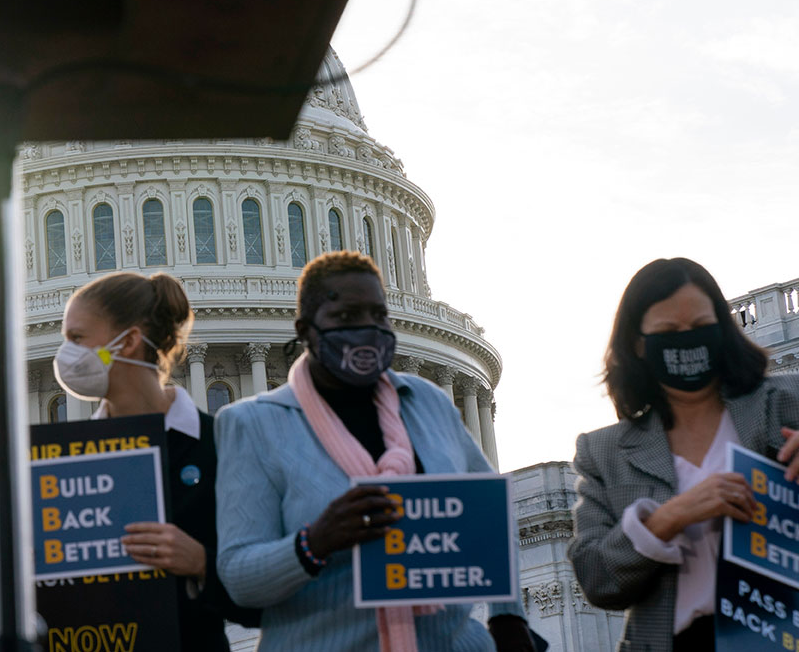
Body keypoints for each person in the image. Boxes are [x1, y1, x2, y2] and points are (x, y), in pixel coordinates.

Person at [214, 251, 534, 651]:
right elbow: (239, 576)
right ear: (306, 330)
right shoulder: (253, 424)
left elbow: (491, 516)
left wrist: (508, 616)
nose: (367, 329)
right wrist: (315, 541)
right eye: (347, 317)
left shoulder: (429, 404)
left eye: (378, 316)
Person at [570, 257, 799, 652]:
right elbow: (597, 580)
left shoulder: (789, 401)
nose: (686, 339)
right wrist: (669, 516)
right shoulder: (604, 452)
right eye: (668, 331)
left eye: (699, 327)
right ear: (639, 344)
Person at [54, 271, 261, 651]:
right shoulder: (65, 465)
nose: (66, 354)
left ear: (128, 341)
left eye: (77, 339)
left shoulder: (218, 444)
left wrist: (201, 563)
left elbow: (263, 602)